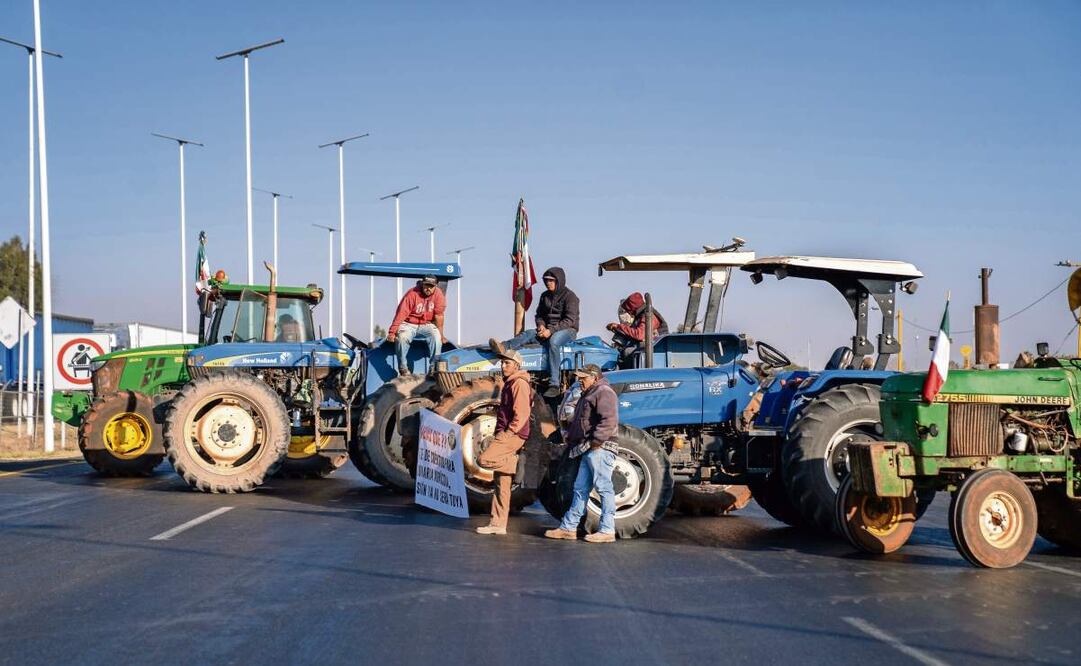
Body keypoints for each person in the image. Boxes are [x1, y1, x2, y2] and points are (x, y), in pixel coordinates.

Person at [544, 364, 619, 543]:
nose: (580, 381)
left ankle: (608, 530)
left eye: (583, 378)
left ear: (594, 377)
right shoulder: (591, 393)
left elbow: (608, 420)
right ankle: (569, 528)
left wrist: (596, 442)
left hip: (599, 448)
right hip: (590, 447)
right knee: (580, 489)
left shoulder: (603, 392)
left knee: (603, 487)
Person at [475, 347, 533, 536]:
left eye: (507, 362)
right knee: (501, 484)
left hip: (512, 435)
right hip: (508, 433)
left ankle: (511, 463)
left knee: (483, 459)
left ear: (516, 365)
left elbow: (522, 414)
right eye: (502, 362)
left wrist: (508, 433)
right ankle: (498, 524)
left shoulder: (519, 384)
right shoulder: (510, 382)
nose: (503, 365)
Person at [501, 266, 579, 397]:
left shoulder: (570, 297)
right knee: (529, 334)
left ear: (559, 281)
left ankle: (554, 383)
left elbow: (570, 320)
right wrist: (541, 326)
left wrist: (551, 330)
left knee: (554, 342)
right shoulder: (545, 296)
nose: (548, 283)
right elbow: (539, 315)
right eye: (546, 280)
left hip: (567, 330)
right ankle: (504, 347)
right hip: (548, 329)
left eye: (552, 280)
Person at [387, 275, 446, 376]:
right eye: (426, 285)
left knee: (437, 338)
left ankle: (433, 369)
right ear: (422, 284)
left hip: (426, 324)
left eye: (431, 286)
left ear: (435, 286)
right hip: (408, 323)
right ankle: (403, 368)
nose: (428, 288)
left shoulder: (438, 295)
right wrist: (392, 332)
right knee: (402, 337)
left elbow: (439, 316)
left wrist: (441, 335)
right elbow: (401, 314)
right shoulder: (412, 294)